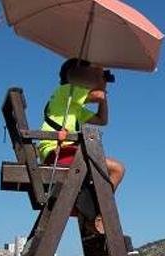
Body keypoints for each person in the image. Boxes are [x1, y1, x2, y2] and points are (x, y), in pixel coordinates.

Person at [37, 58, 125, 234]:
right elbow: (98, 96)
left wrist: (102, 86)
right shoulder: (67, 91)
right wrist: (100, 76)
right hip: (60, 153)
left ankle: (95, 215)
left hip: (63, 152)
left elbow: (102, 120)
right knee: (116, 169)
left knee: (113, 170)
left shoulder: (73, 104)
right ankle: (98, 215)